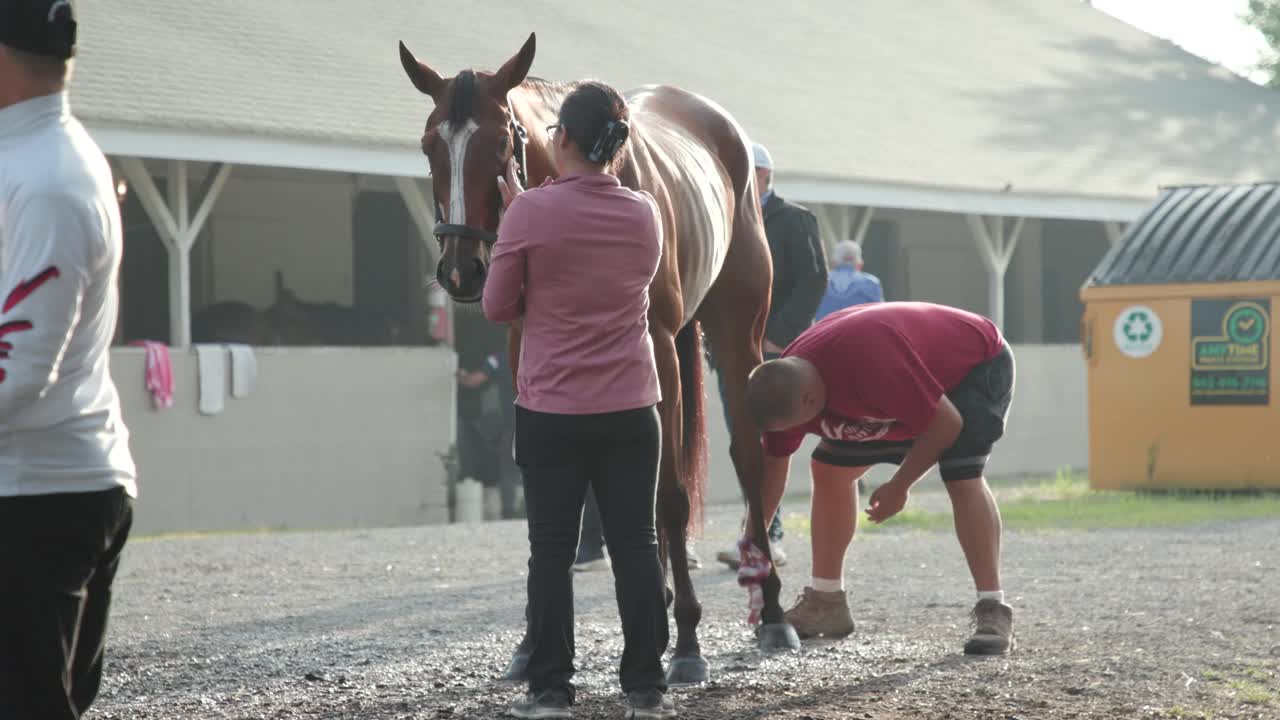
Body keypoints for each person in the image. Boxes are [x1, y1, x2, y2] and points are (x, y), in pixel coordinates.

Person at [484, 80, 677, 719]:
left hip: (552, 411)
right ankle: (646, 686)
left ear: (559, 137)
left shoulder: (529, 215)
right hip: (630, 406)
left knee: (551, 552)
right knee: (637, 545)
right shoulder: (644, 213)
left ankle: (551, 689)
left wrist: (519, 220)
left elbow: (496, 306)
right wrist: (527, 215)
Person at [0, 3, 139, 718]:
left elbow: (20, 367)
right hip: (51, 483)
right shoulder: (36, 157)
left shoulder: (47, 177)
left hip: (37, 492)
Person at [744, 301, 1016, 655]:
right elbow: (774, 466)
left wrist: (900, 486)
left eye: (797, 426)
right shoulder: (784, 386)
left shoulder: (872, 364)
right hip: (892, 387)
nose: (795, 433)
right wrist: (753, 540)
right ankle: (827, 601)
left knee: (961, 474)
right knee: (828, 469)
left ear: (810, 400)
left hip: (971, 369)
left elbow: (946, 424)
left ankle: (993, 608)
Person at [712, 141, 827, 571]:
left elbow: (813, 280)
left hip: (776, 354)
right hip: (730, 352)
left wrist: (778, 338)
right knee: (742, 442)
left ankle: (767, 536)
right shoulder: (724, 221)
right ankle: (755, 533)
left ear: (762, 174)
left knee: (770, 441)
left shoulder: (795, 220)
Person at [452, 301, 510, 519]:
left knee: (507, 467)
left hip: (511, 423)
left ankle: (510, 510)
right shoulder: (533, 358)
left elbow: (474, 381)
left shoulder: (499, 359)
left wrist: (459, 376)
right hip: (535, 421)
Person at [814, 239, 883, 320]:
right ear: (859, 264)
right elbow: (880, 316)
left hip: (824, 331)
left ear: (833, 262)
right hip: (859, 330)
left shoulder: (819, 280)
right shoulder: (871, 283)